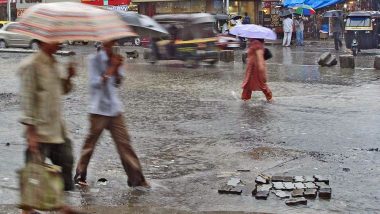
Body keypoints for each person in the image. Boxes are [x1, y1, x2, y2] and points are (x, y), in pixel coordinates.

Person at [74, 40, 148, 188]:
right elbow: (95, 84)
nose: (109, 47)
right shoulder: (93, 60)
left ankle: (137, 180)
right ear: (102, 44)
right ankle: (80, 176)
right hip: (98, 110)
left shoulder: (116, 58)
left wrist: (118, 69)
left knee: (125, 144)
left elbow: (117, 84)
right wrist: (111, 69)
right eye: (107, 44)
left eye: (111, 44)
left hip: (114, 110)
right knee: (90, 145)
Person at [18, 41, 78, 214]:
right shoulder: (32, 65)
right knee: (34, 171)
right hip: (39, 129)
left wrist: (69, 77)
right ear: (43, 42)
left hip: (57, 128)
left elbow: (62, 90)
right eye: (54, 40)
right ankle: (28, 209)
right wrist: (31, 132)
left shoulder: (54, 63)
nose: (58, 43)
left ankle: (59, 204)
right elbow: (27, 98)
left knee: (66, 162)